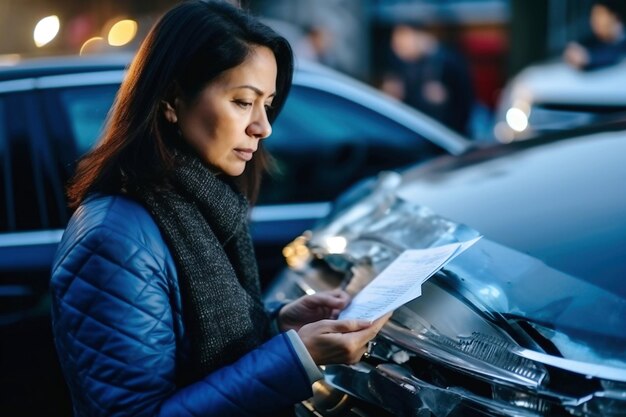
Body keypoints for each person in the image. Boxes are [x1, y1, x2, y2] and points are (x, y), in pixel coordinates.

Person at [49, 1, 390, 416]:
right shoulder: (114, 240)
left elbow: (193, 342)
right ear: (172, 98)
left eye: (267, 104)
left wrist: (278, 324)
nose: (263, 127)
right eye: (244, 102)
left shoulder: (199, 201)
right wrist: (297, 357)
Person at [381, 24, 474, 136]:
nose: (396, 49)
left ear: (418, 37)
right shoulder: (404, 65)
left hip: (445, 134)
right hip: (419, 132)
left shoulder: (446, 62)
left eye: (401, 43)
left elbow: (464, 101)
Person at [563, 0, 626, 70]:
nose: (594, 21)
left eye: (600, 15)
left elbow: (615, 55)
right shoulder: (594, 40)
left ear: (614, 17)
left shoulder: (621, 44)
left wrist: (588, 59)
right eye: (592, 16)